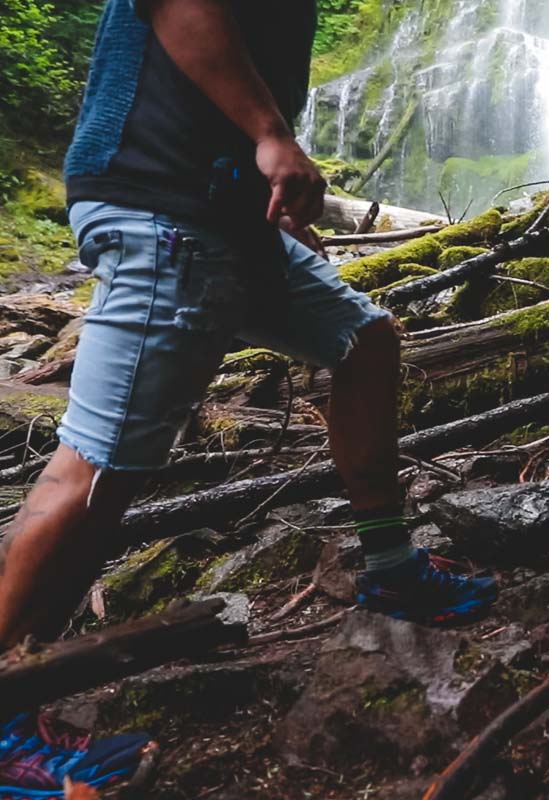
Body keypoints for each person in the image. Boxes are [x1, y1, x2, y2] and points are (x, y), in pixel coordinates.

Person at [0, 0, 498, 794]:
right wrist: (272, 137)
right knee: (99, 469)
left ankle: (393, 567)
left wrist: (261, 195)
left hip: (222, 217)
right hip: (160, 209)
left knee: (363, 341)